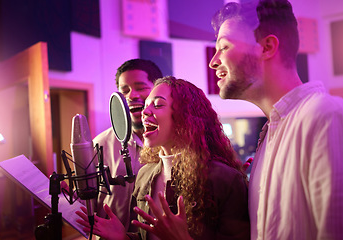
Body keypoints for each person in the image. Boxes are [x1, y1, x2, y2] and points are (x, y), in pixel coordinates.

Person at [208, 0, 343, 239]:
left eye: (224, 46)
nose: (214, 61)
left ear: (266, 47)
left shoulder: (326, 116)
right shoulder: (268, 136)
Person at [76, 76, 251, 240]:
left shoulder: (224, 179)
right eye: (146, 105)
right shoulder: (144, 174)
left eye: (158, 105)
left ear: (185, 116)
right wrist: (124, 236)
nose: (144, 111)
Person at [93, 59, 163, 231]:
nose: (132, 96)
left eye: (140, 88)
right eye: (125, 91)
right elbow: (86, 203)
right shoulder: (99, 144)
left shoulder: (173, 143)